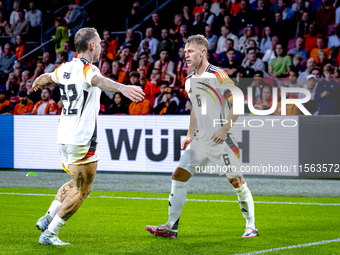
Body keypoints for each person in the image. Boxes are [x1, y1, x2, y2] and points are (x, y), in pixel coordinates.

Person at [34, 27, 144, 245]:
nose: (102, 47)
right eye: (100, 43)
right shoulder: (88, 69)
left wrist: (37, 81)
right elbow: (99, 81)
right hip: (81, 139)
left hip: (63, 137)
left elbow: (47, 77)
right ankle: (50, 233)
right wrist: (122, 88)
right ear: (92, 45)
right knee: (83, 189)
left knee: (76, 181)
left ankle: (47, 217)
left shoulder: (65, 68)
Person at [146, 35, 258, 239]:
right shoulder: (189, 80)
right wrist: (189, 134)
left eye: (190, 51)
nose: (185, 55)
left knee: (237, 181)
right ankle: (171, 226)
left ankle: (251, 226)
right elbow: (196, 110)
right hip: (200, 140)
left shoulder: (218, 74)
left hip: (223, 140)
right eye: (185, 51)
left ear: (203, 52)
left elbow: (238, 103)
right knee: (178, 176)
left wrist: (224, 129)